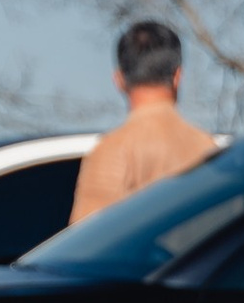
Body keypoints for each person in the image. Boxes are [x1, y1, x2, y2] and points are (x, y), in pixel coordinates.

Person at [67, 20, 222, 223]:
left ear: (119, 80)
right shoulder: (209, 148)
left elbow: (85, 242)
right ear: (177, 76)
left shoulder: (112, 150)